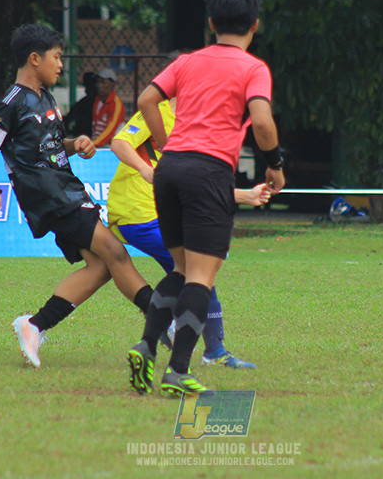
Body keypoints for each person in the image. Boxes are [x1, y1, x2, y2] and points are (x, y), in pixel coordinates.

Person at [126, 0, 285, 397]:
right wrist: (275, 165)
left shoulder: (188, 61)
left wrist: (163, 143)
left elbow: (146, 99)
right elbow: (263, 123)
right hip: (208, 172)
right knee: (201, 276)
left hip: (171, 169)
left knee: (179, 270)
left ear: (211, 23)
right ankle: (178, 371)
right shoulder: (253, 68)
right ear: (255, 25)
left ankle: (145, 346)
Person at [0, 24, 155, 369]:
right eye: (56, 57)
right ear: (34, 58)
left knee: (101, 267)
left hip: (65, 188)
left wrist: (77, 144)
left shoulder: (47, 98)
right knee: (115, 251)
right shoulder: (9, 103)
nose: (60, 65)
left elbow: (51, 147)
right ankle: (162, 318)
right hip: (50, 195)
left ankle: (35, 325)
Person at [109, 98, 269, 370]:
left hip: (161, 214)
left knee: (187, 273)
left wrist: (245, 195)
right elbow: (119, 143)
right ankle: (211, 350)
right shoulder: (157, 113)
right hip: (138, 214)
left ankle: (157, 333)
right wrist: (145, 169)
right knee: (199, 270)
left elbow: (198, 185)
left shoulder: (198, 127)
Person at [91, 67, 125, 146]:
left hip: (111, 146)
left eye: (103, 82)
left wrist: (94, 143)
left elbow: (110, 130)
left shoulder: (116, 104)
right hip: (98, 144)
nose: (99, 85)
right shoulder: (97, 101)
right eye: (97, 82)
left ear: (112, 84)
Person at [63, 71, 98, 138]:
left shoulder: (102, 103)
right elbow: (68, 119)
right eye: (88, 85)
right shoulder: (82, 103)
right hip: (82, 136)